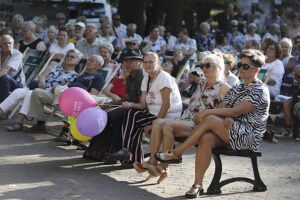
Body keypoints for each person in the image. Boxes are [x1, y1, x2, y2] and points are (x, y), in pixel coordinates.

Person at [155, 49, 270, 198]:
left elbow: (236, 111)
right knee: (206, 138)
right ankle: (197, 185)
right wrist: (228, 116)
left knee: (209, 118)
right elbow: (226, 107)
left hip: (248, 136)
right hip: (232, 129)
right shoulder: (239, 87)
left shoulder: (259, 89)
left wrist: (212, 112)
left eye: (246, 66)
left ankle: (177, 153)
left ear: (257, 70)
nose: (241, 68)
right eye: (240, 65)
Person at [133, 53, 230, 183]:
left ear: (218, 67)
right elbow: (185, 94)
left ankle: (159, 163)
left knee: (166, 125)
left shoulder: (224, 87)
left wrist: (206, 114)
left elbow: (224, 112)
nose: (204, 68)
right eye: (202, 65)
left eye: (207, 65)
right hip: (186, 120)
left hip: (201, 125)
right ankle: (157, 163)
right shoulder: (201, 83)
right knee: (159, 123)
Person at [109, 52, 183, 164]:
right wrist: (130, 104)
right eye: (145, 62)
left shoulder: (163, 77)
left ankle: (132, 156)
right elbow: (143, 105)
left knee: (133, 116)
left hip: (168, 116)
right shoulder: (146, 79)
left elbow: (166, 104)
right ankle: (130, 155)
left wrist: (155, 123)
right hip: (153, 114)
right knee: (131, 112)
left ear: (158, 63)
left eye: (151, 62)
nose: (147, 64)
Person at [83, 49, 145, 160]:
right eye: (126, 61)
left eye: (131, 60)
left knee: (115, 115)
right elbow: (127, 98)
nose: (127, 63)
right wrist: (111, 103)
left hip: (142, 108)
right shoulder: (130, 77)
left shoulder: (143, 77)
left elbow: (143, 102)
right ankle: (99, 150)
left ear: (140, 62)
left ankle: (117, 150)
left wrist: (123, 104)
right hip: (130, 106)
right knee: (104, 112)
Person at [6, 49, 82, 132]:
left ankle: (28, 122)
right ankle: (38, 123)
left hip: (55, 96)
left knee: (33, 92)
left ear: (77, 62)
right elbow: (43, 75)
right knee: (31, 92)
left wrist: (57, 88)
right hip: (43, 90)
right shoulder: (56, 67)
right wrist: (42, 79)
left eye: (72, 57)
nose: (69, 58)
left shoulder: (75, 76)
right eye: (68, 56)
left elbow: (69, 90)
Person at [56, 55, 105, 142]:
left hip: (84, 99)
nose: (88, 62)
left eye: (92, 61)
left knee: (73, 103)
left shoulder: (98, 78)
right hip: (70, 95)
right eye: (89, 60)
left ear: (99, 66)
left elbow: (93, 94)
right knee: (61, 91)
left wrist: (78, 94)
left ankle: (66, 131)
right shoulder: (81, 76)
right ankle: (70, 133)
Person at [0, 35, 25, 103]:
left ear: (13, 44)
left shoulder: (17, 54)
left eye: (9, 43)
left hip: (16, 84)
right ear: (0, 44)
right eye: (5, 43)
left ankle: (1, 106)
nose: (8, 45)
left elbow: (6, 71)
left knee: (5, 78)